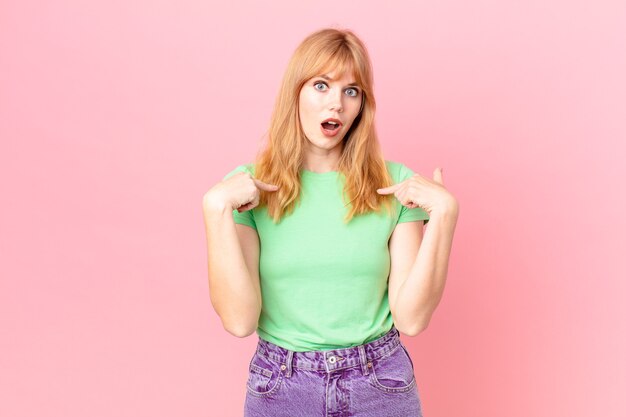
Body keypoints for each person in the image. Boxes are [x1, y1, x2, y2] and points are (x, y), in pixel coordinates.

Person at [202, 27, 459, 417]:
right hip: (282, 384)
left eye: (351, 91)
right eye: (321, 85)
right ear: (296, 92)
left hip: (380, 382)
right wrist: (215, 209)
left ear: (362, 105)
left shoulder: (396, 185)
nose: (336, 104)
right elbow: (239, 321)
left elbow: (412, 318)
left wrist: (444, 216)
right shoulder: (249, 189)